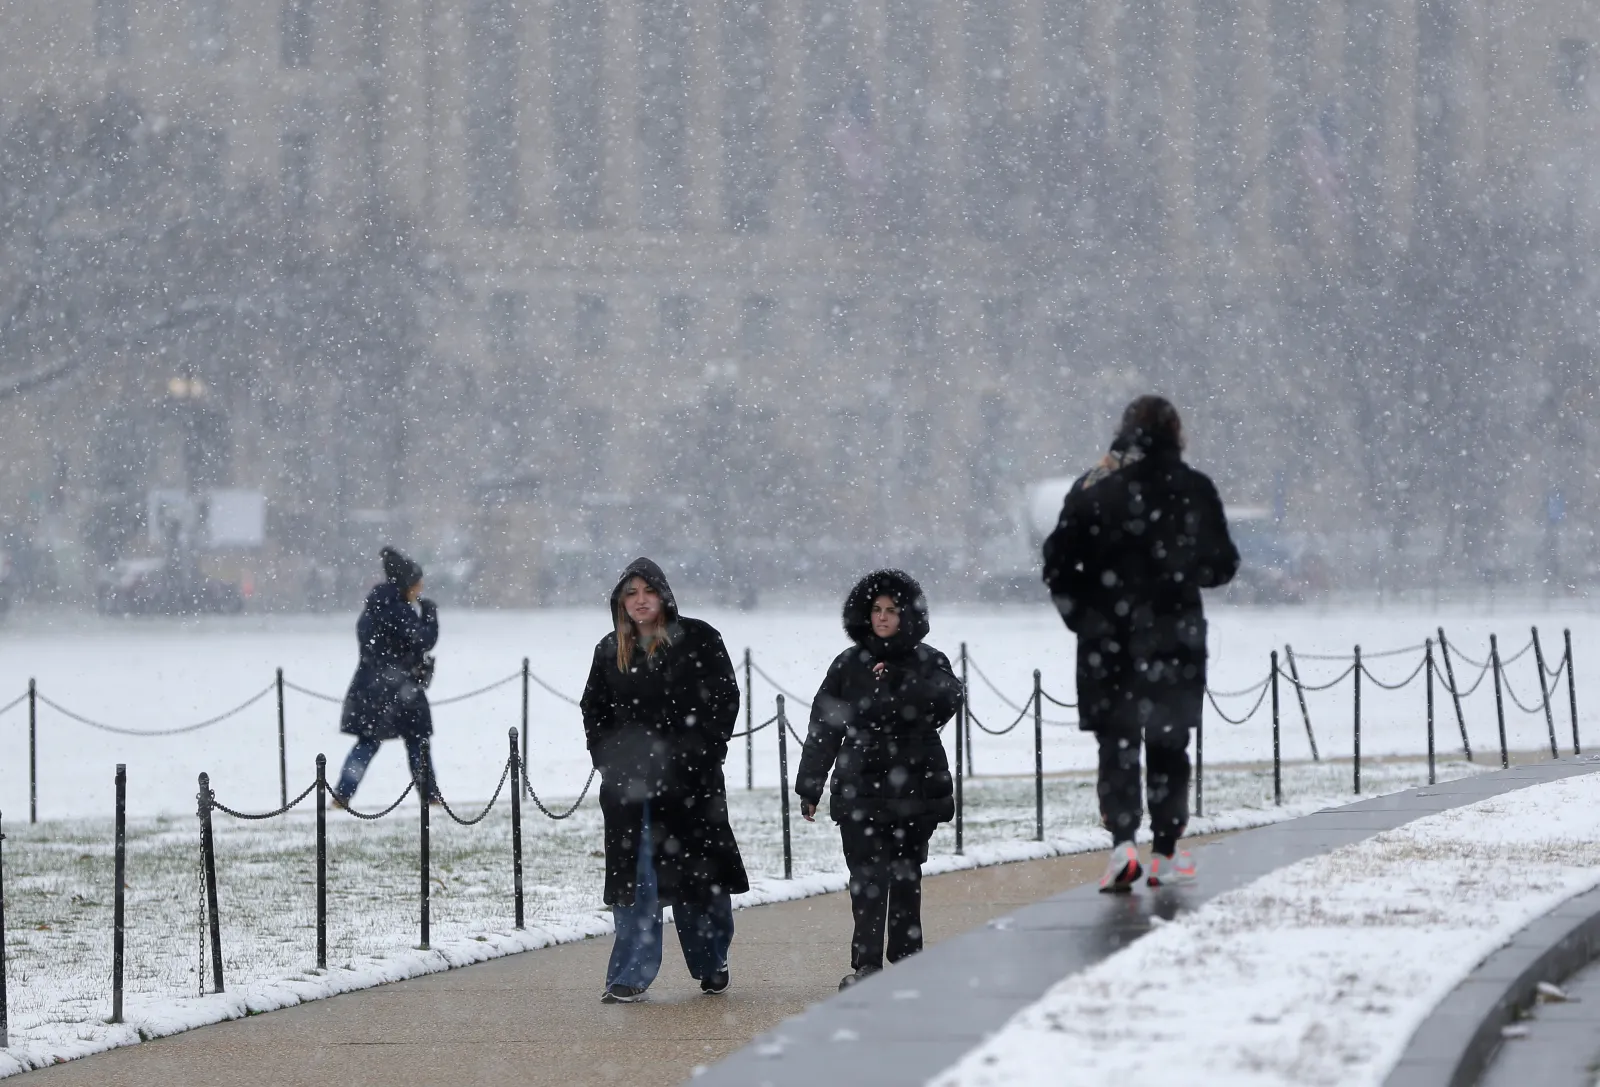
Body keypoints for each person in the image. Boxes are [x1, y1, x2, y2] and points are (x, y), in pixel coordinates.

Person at [1041, 395, 1239, 892]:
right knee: (1171, 744)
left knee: (1118, 743)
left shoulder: (1094, 490)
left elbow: (1058, 566)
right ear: (1177, 434)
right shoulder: (1194, 490)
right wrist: (1180, 569)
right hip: (1174, 639)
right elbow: (1222, 565)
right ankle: (1167, 850)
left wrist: (1086, 620)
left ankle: (1123, 844)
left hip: (1109, 642)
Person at [579, 557, 748, 1004]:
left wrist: (701, 754)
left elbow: (724, 700)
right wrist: (609, 761)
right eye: (630, 594)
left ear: (663, 596)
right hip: (629, 790)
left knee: (700, 878)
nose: (639, 601)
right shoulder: (608, 649)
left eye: (646, 592)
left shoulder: (700, 639)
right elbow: (593, 711)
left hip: (691, 787)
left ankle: (712, 962)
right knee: (636, 880)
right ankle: (629, 974)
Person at [795, 570, 962, 991]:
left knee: (906, 875)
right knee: (866, 880)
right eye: (876, 610)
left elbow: (947, 701)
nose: (883, 618)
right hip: (860, 785)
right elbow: (824, 726)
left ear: (907, 615)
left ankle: (908, 959)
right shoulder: (849, 665)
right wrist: (810, 784)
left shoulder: (929, 661)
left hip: (915, 785)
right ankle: (866, 964)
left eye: (891, 610)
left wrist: (904, 681)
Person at [335, 546, 441, 805]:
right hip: (400, 689)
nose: (421, 587)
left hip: (370, 687)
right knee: (417, 743)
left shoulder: (373, 609)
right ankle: (429, 795)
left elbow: (374, 647)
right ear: (407, 585)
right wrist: (429, 615)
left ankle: (342, 794)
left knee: (367, 743)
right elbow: (423, 640)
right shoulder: (399, 611)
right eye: (417, 583)